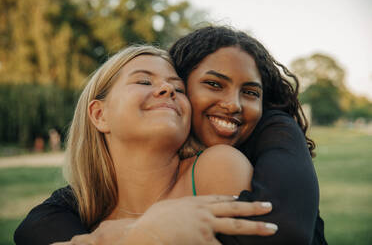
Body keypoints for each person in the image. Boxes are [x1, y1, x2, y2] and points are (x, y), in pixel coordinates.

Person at [14, 26, 327, 244]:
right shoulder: (79, 208)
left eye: (176, 88)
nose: (166, 89)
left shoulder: (218, 165)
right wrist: (141, 233)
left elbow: (282, 231)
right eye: (144, 81)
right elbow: (30, 228)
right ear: (99, 114)